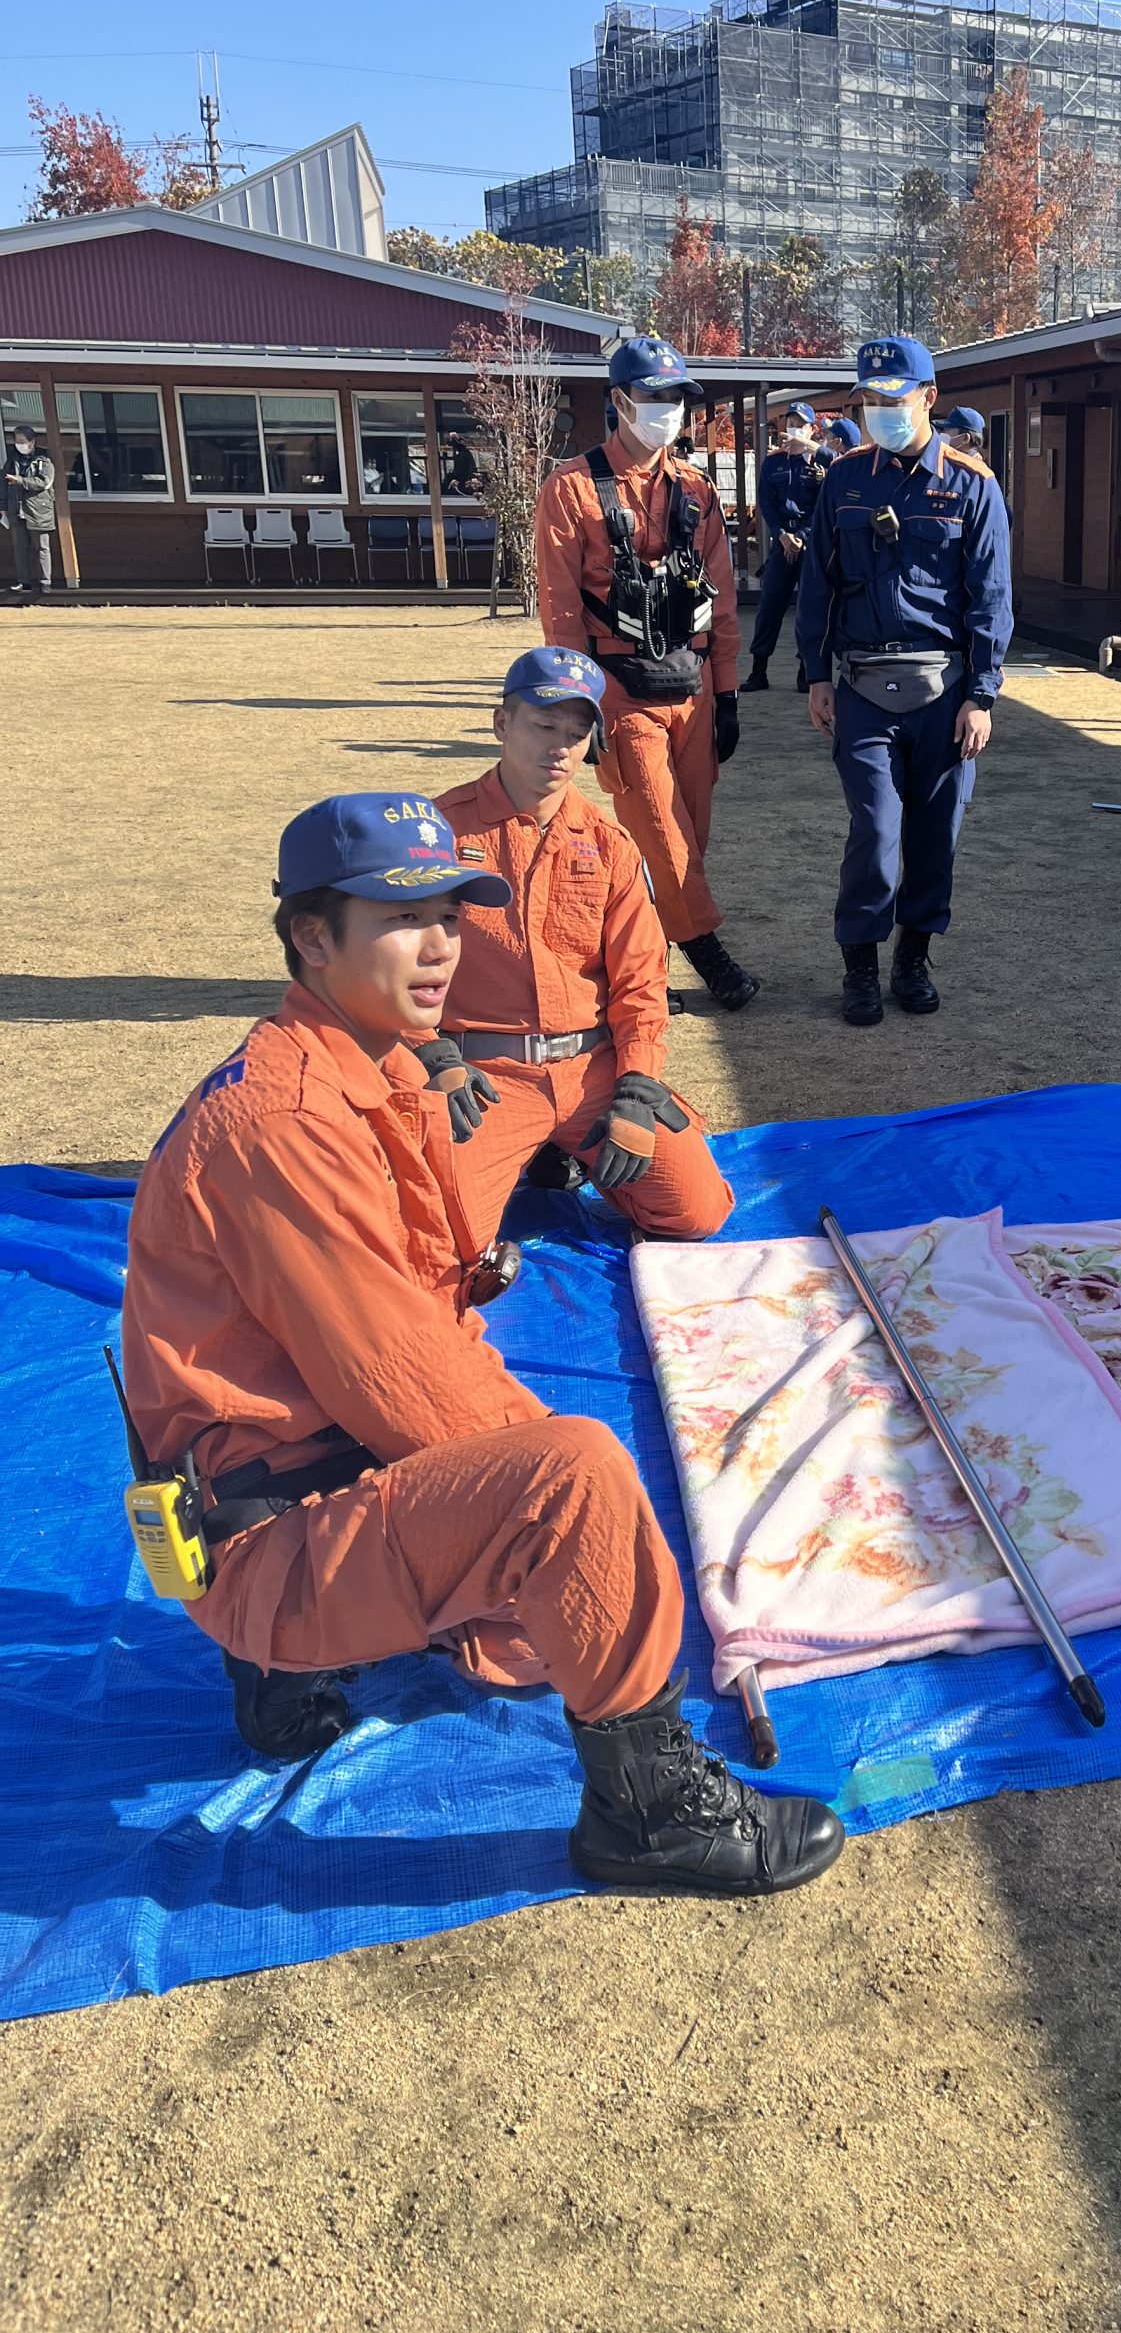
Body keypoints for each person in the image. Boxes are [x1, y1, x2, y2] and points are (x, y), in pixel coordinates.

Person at [120, 791, 841, 1897]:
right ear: (312, 938)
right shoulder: (287, 1121)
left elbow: (429, 1315)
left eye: (454, 918)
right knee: (582, 1485)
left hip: (278, 1472)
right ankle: (646, 1816)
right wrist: (558, 1532)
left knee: (536, 1586)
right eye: (403, 920)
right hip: (269, 1527)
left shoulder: (375, 1069)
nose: (442, 948)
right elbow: (404, 1379)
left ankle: (282, 1666)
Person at [422, 646, 734, 1249]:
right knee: (443, 1236)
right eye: (543, 725)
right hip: (482, 1078)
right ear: (501, 724)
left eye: (576, 731)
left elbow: (641, 983)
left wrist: (638, 1087)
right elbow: (389, 967)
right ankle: (535, 1151)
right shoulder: (439, 832)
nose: (559, 747)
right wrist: (429, 1055)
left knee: (696, 1214)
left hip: (592, 1073)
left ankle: (561, 1151)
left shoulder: (611, 843)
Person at [534, 336, 758, 1013]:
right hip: (619, 689)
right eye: (653, 397)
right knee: (661, 830)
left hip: (688, 682)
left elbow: (720, 599)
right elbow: (561, 611)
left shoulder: (696, 489)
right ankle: (711, 957)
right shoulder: (571, 487)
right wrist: (581, 707)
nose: (667, 411)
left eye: (676, 399)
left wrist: (726, 695)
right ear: (620, 401)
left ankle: (627, 964)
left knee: (687, 840)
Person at [794, 335, 1012, 1027]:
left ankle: (913, 957)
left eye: (894, 398)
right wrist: (815, 676)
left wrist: (982, 695)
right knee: (876, 830)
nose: (882, 410)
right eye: (871, 399)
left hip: (943, 693)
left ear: (929, 398)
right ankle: (860, 962)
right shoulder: (846, 479)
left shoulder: (972, 486)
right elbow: (816, 584)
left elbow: (991, 597)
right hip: (860, 687)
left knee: (936, 834)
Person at [740, 402, 819, 694]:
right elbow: (767, 504)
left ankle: (805, 671)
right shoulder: (773, 462)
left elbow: (824, 506)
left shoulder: (820, 464)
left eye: (801, 423)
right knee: (769, 607)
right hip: (781, 543)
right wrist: (782, 535)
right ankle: (758, 670)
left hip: (810, 546)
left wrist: (800, 535)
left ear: (812, 429)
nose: (794, 428)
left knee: (808, 610)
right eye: (790, 422)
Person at [4, 422, 56, 594]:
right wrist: (2, 506)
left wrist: (20, 480)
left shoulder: (44, 459)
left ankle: (45, 582)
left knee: (42, 547)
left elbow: (44, 482)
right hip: (16, 510)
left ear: (32, 441)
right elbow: (2, 483)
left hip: (38, 510)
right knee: (20, 548)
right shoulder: (12, 459)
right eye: (16, 440)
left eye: (22, 440)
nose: (19, 444)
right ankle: (23, 581)